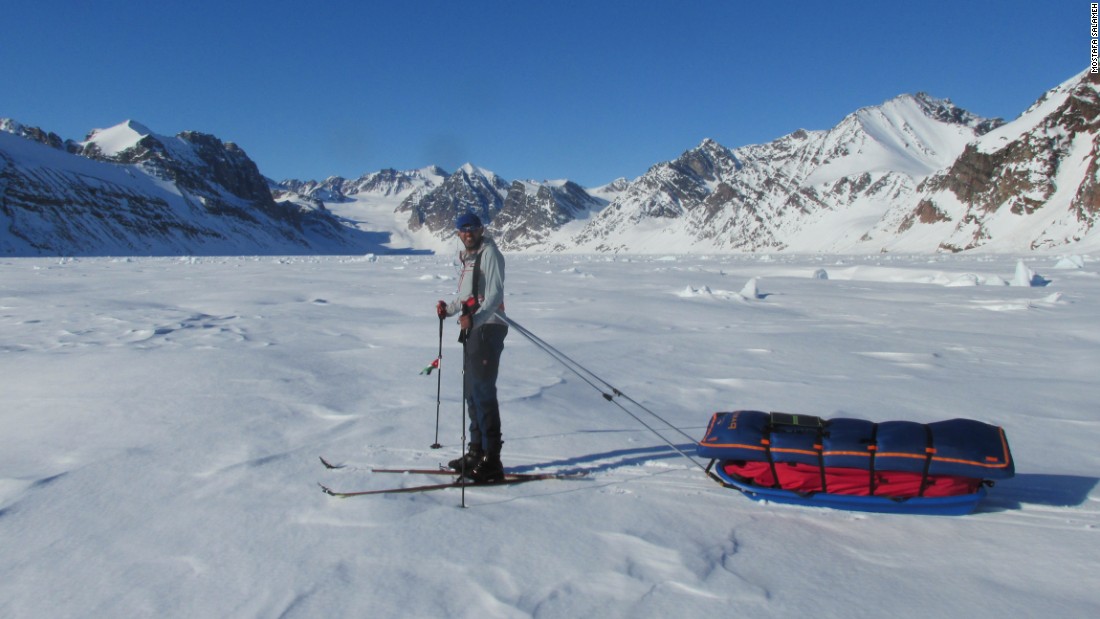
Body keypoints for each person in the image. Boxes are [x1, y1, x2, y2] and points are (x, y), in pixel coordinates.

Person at [436, 212, 508, 482]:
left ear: (481, 229)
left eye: (472, 228)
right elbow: (467, 297)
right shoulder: (470, 258)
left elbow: (494, 295)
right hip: (475, 329)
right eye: (463, 229)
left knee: (483, 393)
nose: (468, 233)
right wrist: (449, 309)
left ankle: (492, 459)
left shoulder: (490, 254)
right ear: (458, 233)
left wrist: (475, 320)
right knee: (472, 393)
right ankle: (476, 451)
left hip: (489, 328)